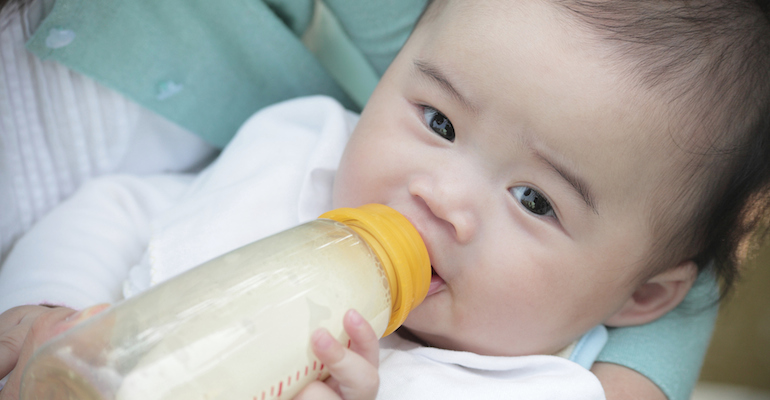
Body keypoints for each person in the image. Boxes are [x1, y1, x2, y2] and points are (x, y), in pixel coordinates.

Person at [1, 0, 768, 399]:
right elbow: (123, 210)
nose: (441, 198)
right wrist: (49, 303)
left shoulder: (543, 391)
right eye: (437, 121)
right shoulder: (301, 155)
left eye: (535, 200)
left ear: (641, 295)